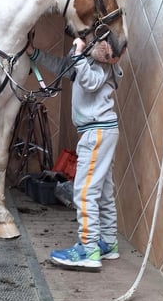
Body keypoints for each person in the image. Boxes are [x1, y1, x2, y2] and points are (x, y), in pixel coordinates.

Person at [28, 36, 123, 270]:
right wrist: (34, 53)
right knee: (103, 190)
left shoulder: (104, 64)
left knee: (85, 191)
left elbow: (90, 83)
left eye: (93, 39)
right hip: (100, 131)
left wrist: (80, 52)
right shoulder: (87, 61)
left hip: (97, 132)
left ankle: (89, 248)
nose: (87, 41)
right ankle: (108, 242)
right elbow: (64, 68)